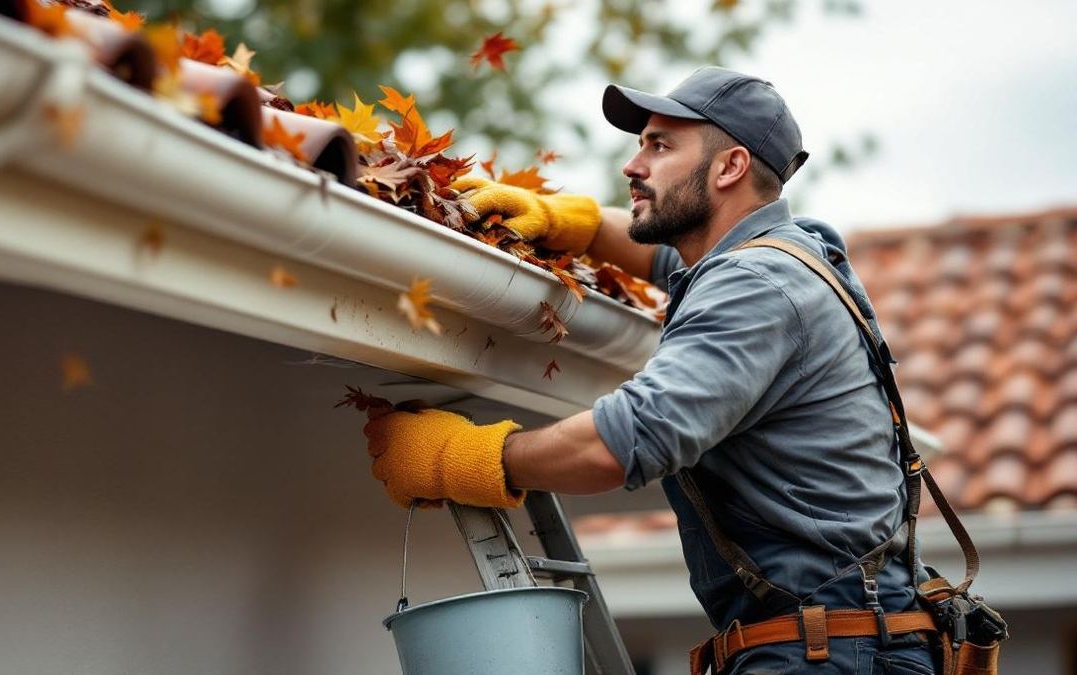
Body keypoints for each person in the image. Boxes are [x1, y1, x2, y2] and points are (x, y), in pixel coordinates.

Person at [363, 67, 939, 674]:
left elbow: (625, 441)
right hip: (846, 641)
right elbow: (663, 251)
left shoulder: (756, 285)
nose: (633, 164)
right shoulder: (793, 258)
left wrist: (455, 459)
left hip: (825, 654)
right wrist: (572, 222)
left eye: (659, 145)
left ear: (729, 167)